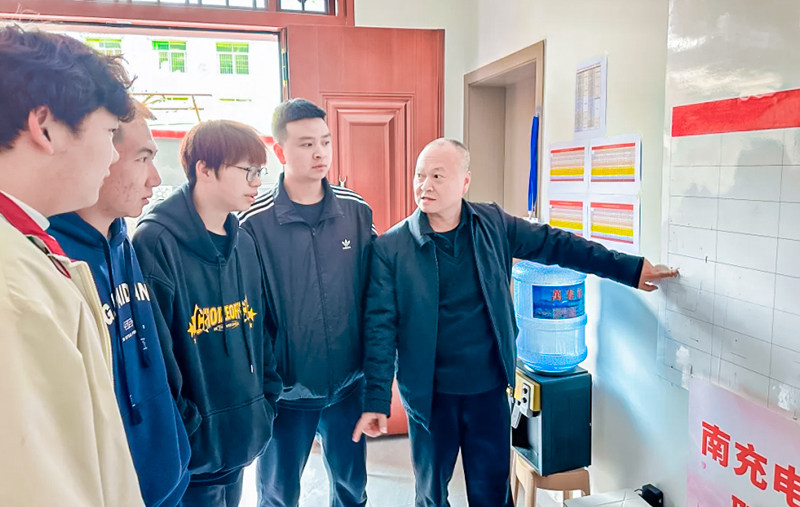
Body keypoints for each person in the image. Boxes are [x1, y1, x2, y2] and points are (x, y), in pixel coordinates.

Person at [353, 138, 679, 507]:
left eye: (437, 176)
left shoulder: (492, 224)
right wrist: (376, 399)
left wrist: (629, 269)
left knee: (492, 493)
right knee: (430, 495)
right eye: (419, 175)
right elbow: (379, 329)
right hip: (430, 398)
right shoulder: (392, 248)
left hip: (489, 391)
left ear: (464, 182)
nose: (424, 185)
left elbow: (558, 244)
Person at [0, 25, 143, 505]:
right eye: (109, 133)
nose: (114, 155)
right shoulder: (12, 289)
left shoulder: (27, 243)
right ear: (45, 127)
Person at [49, 101, 192, 506]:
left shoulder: (121, 238)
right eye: (143, 158)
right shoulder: (52, 258)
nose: (155, 177)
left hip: (166, 475)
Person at [132, 120, 282, 506]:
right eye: (247, 170)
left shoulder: (243, 241)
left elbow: (260, 332)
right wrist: (191, 430)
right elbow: (155, 358)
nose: (256, 182)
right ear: (204, 169)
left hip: (242, 439)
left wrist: (265, 401)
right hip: (193, 456)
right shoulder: (156, 243)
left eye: (260, 171)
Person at [239, 98, 375, 507]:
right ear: (279, 150)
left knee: (352, 489)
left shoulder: (355, 211)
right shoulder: (252, 223)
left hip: (348, 386)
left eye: (325, 142)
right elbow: (248, 317)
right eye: (306, 144)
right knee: (278, 496)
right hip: (286, 394)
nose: (320, 153)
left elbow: (376, 294)